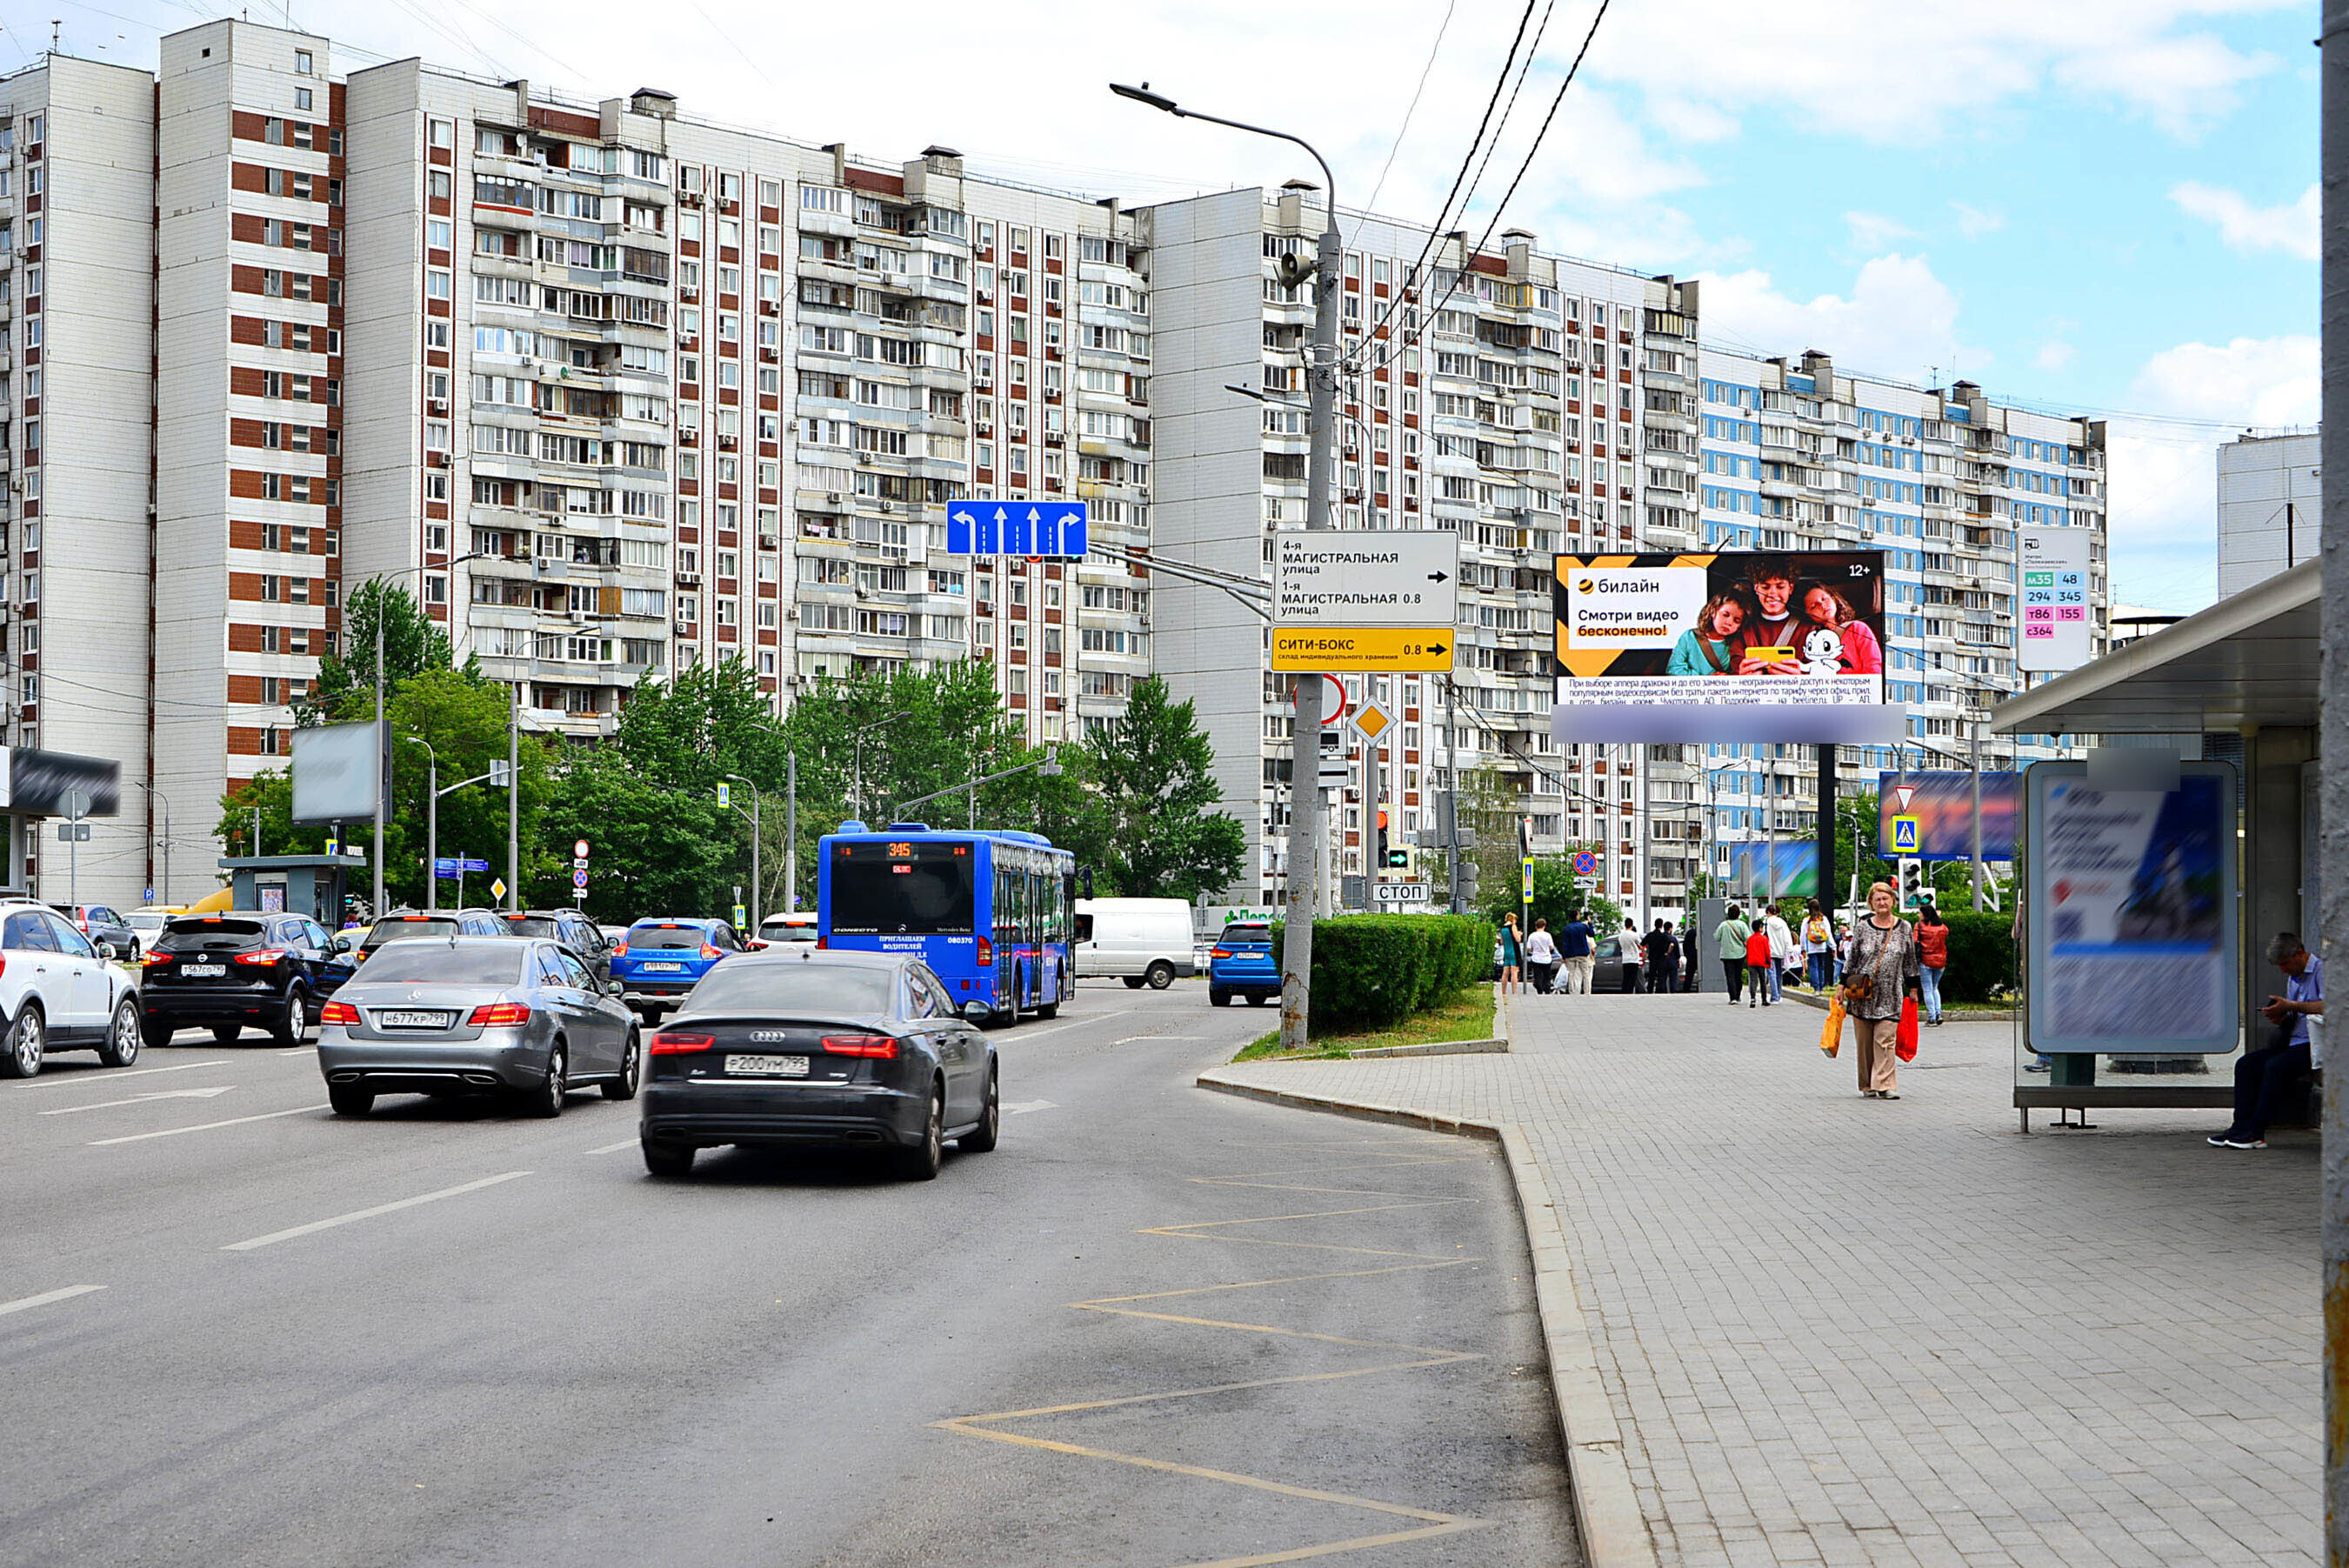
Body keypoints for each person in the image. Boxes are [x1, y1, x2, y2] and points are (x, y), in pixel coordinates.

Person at [2210, 931, 2325, 1150]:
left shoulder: (2322, 972)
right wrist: (2280, 1014)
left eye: (2286, 964)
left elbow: (2329, 1006)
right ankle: (2239, 1127)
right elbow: (2295, 1012)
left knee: (2275, 1068)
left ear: (2300, 954)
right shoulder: (2294, 977)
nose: (2283, 970)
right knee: (2246, 1064)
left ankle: (2256, 1132)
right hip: (2293, 1041)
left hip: (2315, 1045)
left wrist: (2291, 1006)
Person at [1845, 882, 1922, 1098]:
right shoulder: (1862, 928)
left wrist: (1914, 988)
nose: (1882, 902)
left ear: (1893, 901)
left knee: (1885, 1040)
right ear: (1871, 903)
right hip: (1862, 993)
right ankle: (1868, 1084)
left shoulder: (1904, 927)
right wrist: (1842, 986)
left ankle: (1885, 1084)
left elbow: (1910, 960)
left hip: (1891, 994)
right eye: (1877, 899)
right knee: (1865, 1044)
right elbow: (1852, 960)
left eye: (1885, 898)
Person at [1728, 561, 1822, 676]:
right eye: (1765, 587)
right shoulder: (1743, 628)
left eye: (1780, 587)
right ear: (1756, 588)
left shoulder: (1810, 630)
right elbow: (1735, 666)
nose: (1772, 594)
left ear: (1790, 588)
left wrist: (1802, 678)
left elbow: (1820, 674)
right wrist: (1742, 675)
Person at [1799, 581, 1884, 675]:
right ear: (1809, 616)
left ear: (1833, 599)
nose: (1822, 605)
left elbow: (1874, 666)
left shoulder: (1857, 628)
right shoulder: (1811, 641)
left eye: (1824, 599)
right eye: (1813, 606)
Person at [1665, 591, 1750, 676]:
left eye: (1737, 620)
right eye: (1725, 615)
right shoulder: (1689, 636)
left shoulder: (1736, 644)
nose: (1729, 622)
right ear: (1713, 611)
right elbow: (1673, 669)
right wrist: (1705, 680)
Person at [1915, 903, 1951, 1024]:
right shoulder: (1941, 927)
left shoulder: (1919, 926)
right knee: (1935, 988)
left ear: (1924, 914)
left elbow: (1914, 940)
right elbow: (1946, 931)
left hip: (1926, 960)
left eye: (1920, 913)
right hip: (1941, 960)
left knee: (1927, 989)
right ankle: (1938, 1013)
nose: (1918, 915)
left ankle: (1931, 1017)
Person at [1713, 905, 1752, 1004]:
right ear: (1739, 914)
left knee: (1730, 976)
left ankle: (1732, 997)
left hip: (1727, 955)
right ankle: (1738, 996)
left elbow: (1716, 937)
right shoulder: (1742, 925)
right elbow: (1748, 938)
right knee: (1738, 976)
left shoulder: (1724, 925)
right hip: (1740, 954)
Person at [1761, 904, 1794, 1005]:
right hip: (1780, 951)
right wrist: (1790, 951)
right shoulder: (1782, 922)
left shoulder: (1766, 922)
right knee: (1779, 974)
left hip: (1769, 951)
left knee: (1771, 973)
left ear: (1768, 912)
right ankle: (1779, 995)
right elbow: (1787, 937)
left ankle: (1774, 996)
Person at [1557, 911, 1596, 995]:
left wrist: (1564, 956)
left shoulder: (1567, 929)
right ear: (1577, 917)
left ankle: (1572, 991)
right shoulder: (1583, 927)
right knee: (1586, 974)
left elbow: (1565, 944)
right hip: (1582, 954)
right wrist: (1590, 922)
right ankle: (1587, 992)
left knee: (1571, 974)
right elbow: (1591, 934)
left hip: (1570, 954)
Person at [1800, 899, 1835, 992]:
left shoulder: (1807, 920)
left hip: (1811, 948)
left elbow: (1803, 935)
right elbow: (1828, 934)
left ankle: (1816, 988)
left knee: (1813, 967)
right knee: (1821, 967)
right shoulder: (1823, 919)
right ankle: (1821, 987)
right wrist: (1833, 946)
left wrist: (1802, 948)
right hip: (1822, 946)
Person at [1644, 919, 1680, 993]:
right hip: (1666, 960)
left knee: (1658, 977)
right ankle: (1672, 991)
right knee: (1671, 978)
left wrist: (1645, 954)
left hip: (1657, 959)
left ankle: (1657, 990)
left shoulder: (1654, 935)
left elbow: (1643, 944)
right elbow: (1672, 945)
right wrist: (1668, 953)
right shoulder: (1668, 937)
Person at [1525, 918, 1559, 995]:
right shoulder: (1548, 935)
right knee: (1547, 976)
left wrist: (1534, 949)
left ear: (1536, 926)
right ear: (1544, 926)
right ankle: (1547, 989)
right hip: (1546, 959)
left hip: (1536, 958)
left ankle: (1539, 988)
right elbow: (1551, 947)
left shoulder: (1532, 936)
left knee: (1538, 975)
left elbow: (1529, 948)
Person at [1498, 913, 1524, 995]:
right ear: (1513, 919)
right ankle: (1514, 992)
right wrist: (1519, 934)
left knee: (1505, 973)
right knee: (1514, 972)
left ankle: (1503, 991)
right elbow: (1518, 939)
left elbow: (1501, 941)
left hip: (1506, 952)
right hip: (1514, 952)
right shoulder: (1512, 926)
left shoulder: (1503, 928)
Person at [1619, 917, 1645, 994]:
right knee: (1632, 978)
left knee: (1626, 977)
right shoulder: (1635, 935)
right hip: (1634, 959)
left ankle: (1624, 991)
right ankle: (1630, 992)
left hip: (1625, 959)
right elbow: (1641, 945)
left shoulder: (1621, 935)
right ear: (1632, 925)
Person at [1679, 921, 1701, 992]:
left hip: (1690, 957)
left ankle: (1686, 989)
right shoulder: (1701, 934)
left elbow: (1684, 945)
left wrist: (1687, 955)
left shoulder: (1689, 933)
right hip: (1699, 957)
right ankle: (1700, 988)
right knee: (1701, 975)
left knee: (1689, 975)